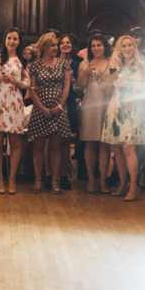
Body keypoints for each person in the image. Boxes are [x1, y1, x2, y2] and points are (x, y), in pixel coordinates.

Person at [102, 34, 145, 201]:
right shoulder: (115, 66)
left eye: (130, 45)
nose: (127, 48)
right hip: (116, 109)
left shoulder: (142, 66)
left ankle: (134, 185)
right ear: (119, 49)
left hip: (134, 109)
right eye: (124, 46)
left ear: (134, 47)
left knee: (129, 148)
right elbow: (110, 89)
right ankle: (123, 184)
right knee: (117, 148)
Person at [26, 32, 72, 194]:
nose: (56, 47)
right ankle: (39, 179)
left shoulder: (64, 64)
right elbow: (32, 89)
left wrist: (60, 105)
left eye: (56, 45)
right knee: (38, 146)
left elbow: (66, 86)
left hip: (59, 110)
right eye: (52, 45)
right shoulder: (35, 66)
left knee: (56, 147)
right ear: (44, 46)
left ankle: (55, 180)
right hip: (41, 110)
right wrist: (41, 108)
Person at [0, 28, 30, 195]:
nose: (11, 41)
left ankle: (12, 178)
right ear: (5, 40)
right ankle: (0, 178)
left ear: (19, 41)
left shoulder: (22, 61)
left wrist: (18, 81)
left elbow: (28, 83)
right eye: (9, 38)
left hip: (14, 101)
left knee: (15, 142)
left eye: (15, 39)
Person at [75, 34, 113, 194]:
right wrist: (87, 74)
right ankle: (91, 179)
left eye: (99, 45)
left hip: (107, 104)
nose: (96, 48)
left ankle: (103, 181)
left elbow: (113, 86)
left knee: (104, 144)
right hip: (90, 104)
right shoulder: (84, 63)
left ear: (105, 46)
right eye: (93, 46)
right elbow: (79, 87)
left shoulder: (112, 62)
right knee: (90, 143)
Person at [59, 33, 81, 188]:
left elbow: (80, 89)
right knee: (52, 141)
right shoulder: (54, 62)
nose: (65, 45)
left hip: (70, 102)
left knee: (66, 140)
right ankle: (51, 174)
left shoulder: (76, 65)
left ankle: (64, 174)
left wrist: (73, 81)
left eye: (68, 43)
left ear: (72, 46)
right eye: (62, 42)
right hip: (53, 101)